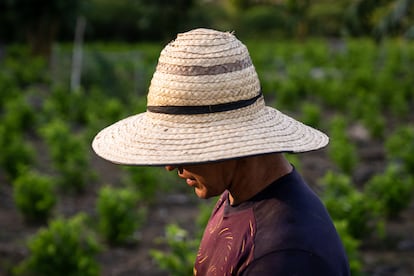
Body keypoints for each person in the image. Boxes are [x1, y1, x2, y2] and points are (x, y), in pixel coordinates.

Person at [92, 28, 350, 275]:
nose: (171, 166)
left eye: (184, 148)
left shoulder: (283, 255)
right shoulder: (239, 195)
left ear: (233, 141)